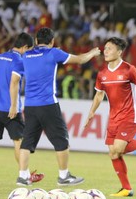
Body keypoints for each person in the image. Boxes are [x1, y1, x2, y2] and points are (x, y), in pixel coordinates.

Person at [16, 27, 101, 186]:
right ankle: (64, 176)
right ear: (52, 41)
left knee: (27, 142)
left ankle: (22, 176)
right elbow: (80, 60)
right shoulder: (54, 53)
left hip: (29, 106)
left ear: (35, 41)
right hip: (48, 104)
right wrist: (92, 53)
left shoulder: (26, 55)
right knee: (61, 140)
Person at [84, 37, 136, 197]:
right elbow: (99, 95)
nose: (105, 51)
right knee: (113, 153)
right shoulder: (102, 74)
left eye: (110, 49)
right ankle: (126, 188)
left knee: (119, 148)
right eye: (105, 48)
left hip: (130, 114)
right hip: (113, 117)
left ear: (119, 52)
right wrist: (91, 111)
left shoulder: (129, 70)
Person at [0, 33, 43, 183]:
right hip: (10, 109)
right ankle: (25, 174)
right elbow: (14, 83)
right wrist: (13, 105)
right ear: (25, 47)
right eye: (29, 49)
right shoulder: (19, 61)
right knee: (20, 142)